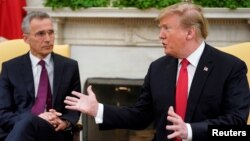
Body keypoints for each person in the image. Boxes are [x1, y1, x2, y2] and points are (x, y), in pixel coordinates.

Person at [64, 2, 250, 141]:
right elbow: (140, 116)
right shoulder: (158, 68)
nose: (160, 35)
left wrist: (191, 131)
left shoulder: (230, 67)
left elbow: (237, 127)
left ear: (190, 33)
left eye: (166, 28)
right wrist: (99, 109)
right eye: (160, 28)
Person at [0, 11, 81, 141]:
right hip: (15, 129)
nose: (48, 39)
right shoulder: (10, 68)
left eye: (51, 32)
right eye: (40, 34)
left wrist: (65, 122)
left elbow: (74, 108)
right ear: (26, 39)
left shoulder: (69, 67)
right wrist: (34, 119)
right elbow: (2, 112)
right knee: (27, 123)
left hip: (52, 132)